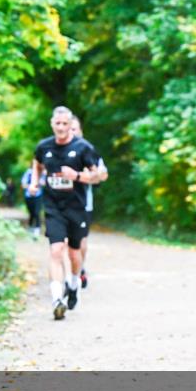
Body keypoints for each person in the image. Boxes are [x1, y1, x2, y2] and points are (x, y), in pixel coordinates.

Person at [29, 107, 103, 320]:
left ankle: (73, 283)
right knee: (55, 250)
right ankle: (56, 299)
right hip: (53, 207)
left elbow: (96, 175)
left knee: (73, 253)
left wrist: (77, 175)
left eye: (64, 124)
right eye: (57, 124)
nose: (61, 128)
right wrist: (35, 183)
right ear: (52, 124)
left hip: (76, 207)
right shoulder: (44, 146)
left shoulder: (83, 148)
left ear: (71, 125)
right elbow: (37, 164)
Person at [69, 116, 109, 288]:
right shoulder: (55, 148)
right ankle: (68, 274)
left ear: (81, 131)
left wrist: (89, 176)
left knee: (81, 242)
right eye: (68, 128)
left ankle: (79, 269)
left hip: (83, 204)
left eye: (74, 128)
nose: (71, 132)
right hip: (58, 204)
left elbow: (102, 175)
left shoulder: (88, 150)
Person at [21, 166, 44, 238]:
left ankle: (37, 229)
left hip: (38, 195)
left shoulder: (41, 173)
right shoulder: (28, 172)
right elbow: (23, 184)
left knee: (37, 212)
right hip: (29, 196)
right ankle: (30, 228)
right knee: (32, 213)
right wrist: (31, 186)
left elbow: (44, 182)